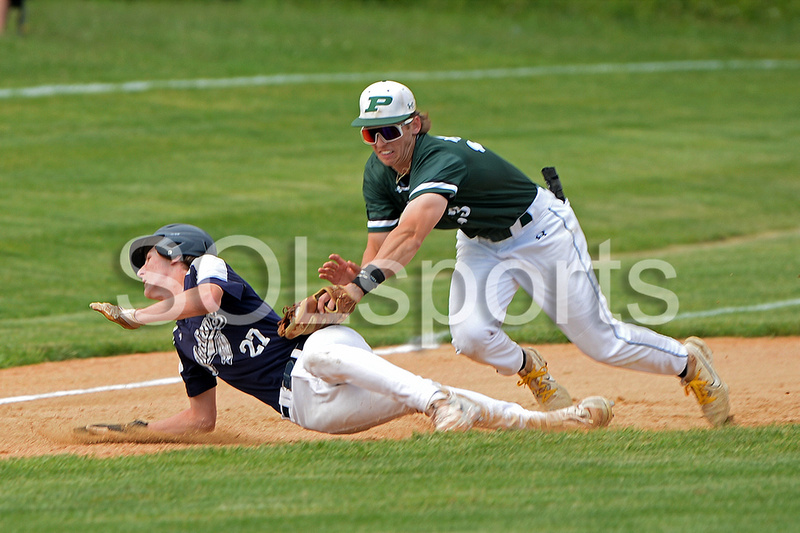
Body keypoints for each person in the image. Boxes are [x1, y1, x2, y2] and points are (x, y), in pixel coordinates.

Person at [317, 80, 730, 426]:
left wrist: (360, 288)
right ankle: (531, 370)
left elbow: (410, 236)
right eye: (370, 134)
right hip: (481, 242)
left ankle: (688, 363)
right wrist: (350, 285)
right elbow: (380, 244)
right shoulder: (378, 172)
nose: (380, 143)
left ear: (413, 126)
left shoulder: (440, 159)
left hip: (541, 233)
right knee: (471, 336)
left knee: (600, 342)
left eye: (389, 131)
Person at [85, 223, 614, 438]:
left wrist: (136, 315)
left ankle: (437, 404)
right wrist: (136, 433)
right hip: (310, 408)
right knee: (418, 396)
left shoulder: (210, 268)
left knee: (320, 353)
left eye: (150, 255)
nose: (142, 264)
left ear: (179, 254)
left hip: (318, 353)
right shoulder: (183, 340)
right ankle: (555, 423)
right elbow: (201, 419)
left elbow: (208, 300)